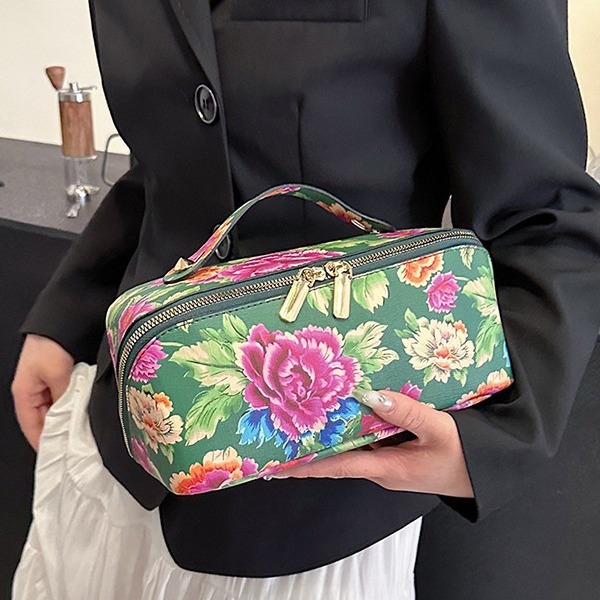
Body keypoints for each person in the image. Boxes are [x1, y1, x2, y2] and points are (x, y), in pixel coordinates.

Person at [11, 0, 600, 598]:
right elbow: (168, 165)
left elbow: (545, 209)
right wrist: (66, 319)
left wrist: (496, 438)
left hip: (320, 499)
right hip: (117, 441)